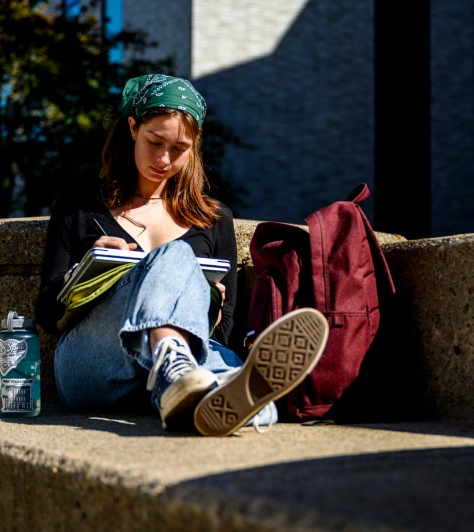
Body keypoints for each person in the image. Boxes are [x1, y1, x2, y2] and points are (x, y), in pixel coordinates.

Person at [35, 73, 329, 436]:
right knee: (175, 256)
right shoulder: (79, 204)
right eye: (155, 141)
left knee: (207, 334)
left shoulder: (214, 217)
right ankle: (204, 383)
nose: (163, 158)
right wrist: (82, 273)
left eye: (179, 149)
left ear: (194, 147)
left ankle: (184, 393)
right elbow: (46, 317)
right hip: (94, 365)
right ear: (132, 128)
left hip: (177, 363)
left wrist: (211, 308)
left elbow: (222, 332)